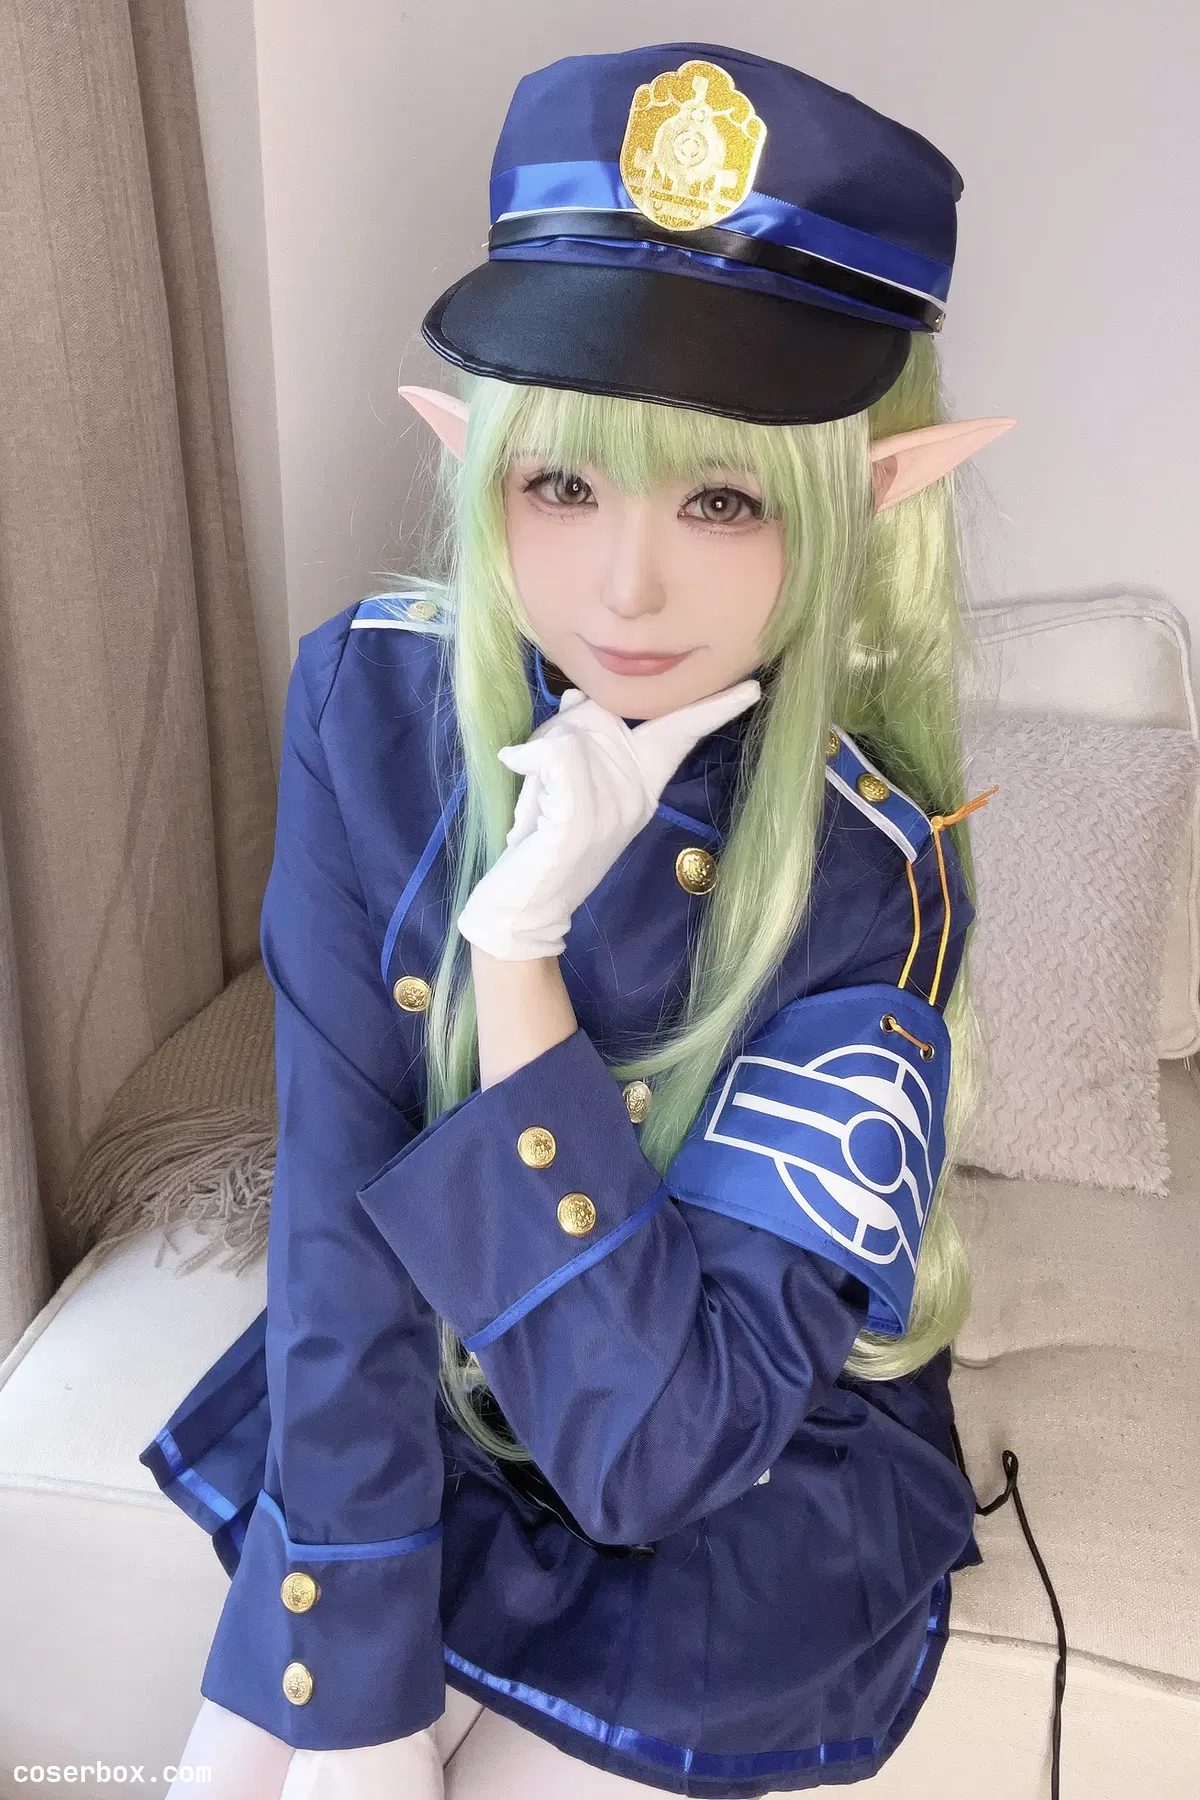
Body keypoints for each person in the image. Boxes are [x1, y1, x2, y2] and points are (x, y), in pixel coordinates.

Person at [142, 40, 1017, 1798]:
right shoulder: (370, 708)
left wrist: (518, 950)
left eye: (723, 498)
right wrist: (359, 1708)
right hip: (446, 1393)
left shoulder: (877, 876)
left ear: (874, 499)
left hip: (729, 1468)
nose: (626, 586)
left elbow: (655, 1451)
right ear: (470, 457)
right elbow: (338, 1222)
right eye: (562, 483)